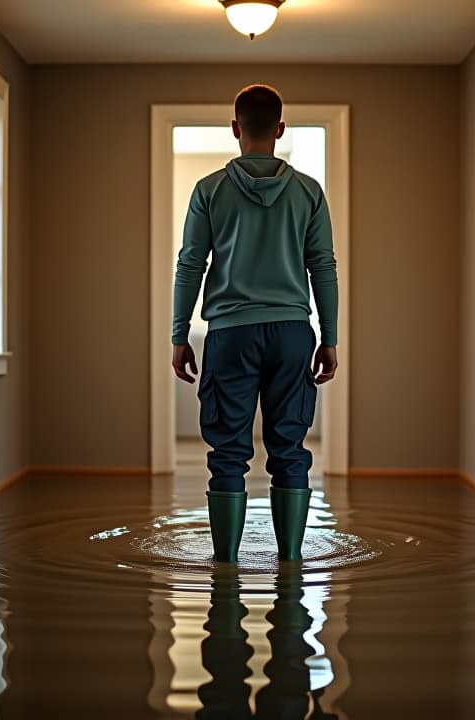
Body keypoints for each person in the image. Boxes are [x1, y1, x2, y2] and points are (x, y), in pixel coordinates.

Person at [172, 84, 339, 563]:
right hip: (291, 333)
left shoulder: (209, 191)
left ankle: (225, 565)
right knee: (289, 448)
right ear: (280, 129)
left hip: (229, 334)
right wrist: (329, 339)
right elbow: (322, 266)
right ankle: (290, 564)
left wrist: (179, 335)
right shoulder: (309, 191)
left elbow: (190, 266)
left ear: (235, 129)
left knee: (227, 452)